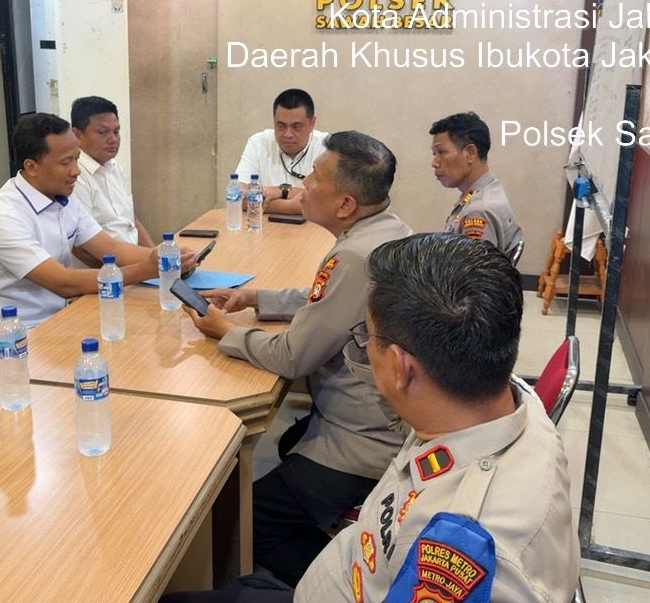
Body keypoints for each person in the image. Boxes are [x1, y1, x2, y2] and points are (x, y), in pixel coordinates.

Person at [165, 234, 580, 602]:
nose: (363, 350)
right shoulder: (491, 402)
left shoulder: (463, 547)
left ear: (401, 367)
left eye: (366, 338)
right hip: (345, 574)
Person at [186, 130, 412, 586]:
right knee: (286, 450)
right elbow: (328, 301)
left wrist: (226, 332)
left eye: (315, 179)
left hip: (363, 438)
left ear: (345, 203)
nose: (303, 185)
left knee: (247, 520)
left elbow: (293, 357)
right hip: (381, 417)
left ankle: (354, 584)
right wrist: (255, 297)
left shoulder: (355, 255)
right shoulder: (387, 230)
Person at [0, 113, 196, 365]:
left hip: (58, 322)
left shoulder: (63, 197)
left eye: (76, 158)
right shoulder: (2, 216)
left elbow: (111, 247)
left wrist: (167, 255)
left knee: (140, 345)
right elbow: (64, 283)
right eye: (66, 162)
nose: (76, 171)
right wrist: (148, 268)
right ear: (31, 167)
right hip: (8, 342)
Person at [70, 96, 152, 265]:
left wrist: (159, 257)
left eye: (116, 131)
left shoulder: (114, 166)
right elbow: (79, 248)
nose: (113, 139)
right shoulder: (75, 176)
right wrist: (137, 271)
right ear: (77, 135)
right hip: (105, 274)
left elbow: (132, 221)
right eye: (102, 132)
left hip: (135, 265)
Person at [430, 111, 523, 259]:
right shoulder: (482, 191)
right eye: (434, 154)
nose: (434, 163)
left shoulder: (479, 210)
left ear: (470, 153)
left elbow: (474, 273)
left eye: (441, 152)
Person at [234, 89, 329, 215]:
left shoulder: (327, 147)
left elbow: (326, 201)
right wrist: (293, 205)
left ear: (312, 123)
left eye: (296, 126)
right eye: (281, 126)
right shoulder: (258, 143)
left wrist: (283, 191)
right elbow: (237, 196)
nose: (288, 134)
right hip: (265, 225)